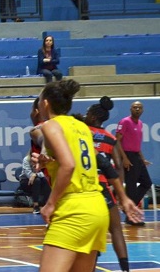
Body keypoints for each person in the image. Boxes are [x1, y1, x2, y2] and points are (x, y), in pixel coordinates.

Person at [32, 79, 109, 271]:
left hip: (74, 209)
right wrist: (48, 156)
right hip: (97, 206)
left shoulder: (51, 125)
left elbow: (69, 164)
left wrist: (50, 204)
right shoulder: (81, 127)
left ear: (46, 103)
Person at [83, 96, 142, 272]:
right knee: (116, 229)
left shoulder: (81, 131)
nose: (85, 115)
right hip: (104, 188)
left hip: (85, 187)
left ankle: (90, 265)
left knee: (89, 231)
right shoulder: (109, 138)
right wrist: (118, 192)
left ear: (93, 116)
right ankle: (125, 269)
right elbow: (119, 167)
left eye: (87, 113)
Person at [116, 101, 152, 226]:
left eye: (139, 107)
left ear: (142, 110)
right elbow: (117, 141)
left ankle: (127, 209)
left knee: (147, 182)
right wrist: (124, 158)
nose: (137, 109)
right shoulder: (125, 122)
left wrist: (142, 159)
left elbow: (137, 144)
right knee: (131, 187)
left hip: (136, 156)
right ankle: (130, 217)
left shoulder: (141, 124)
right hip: (128, 156)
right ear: (130, 109)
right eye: (135, 107)